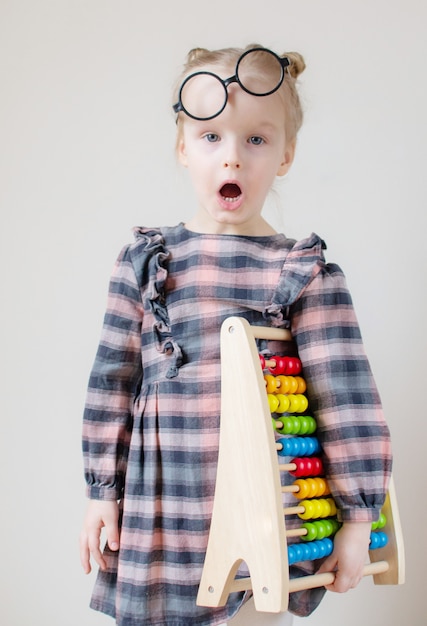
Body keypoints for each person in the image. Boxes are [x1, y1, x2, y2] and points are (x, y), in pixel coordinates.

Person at [79, 44, 392, 626]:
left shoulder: (302, 273)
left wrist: (357, 518)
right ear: (182, 148)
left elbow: (347, 402)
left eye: (256, 139)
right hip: (161, 514)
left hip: (258, 522)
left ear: (286, 154)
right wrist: (103, 491)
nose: (232, 160)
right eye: (210, 137)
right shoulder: (145, 262)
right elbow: (111, 382)